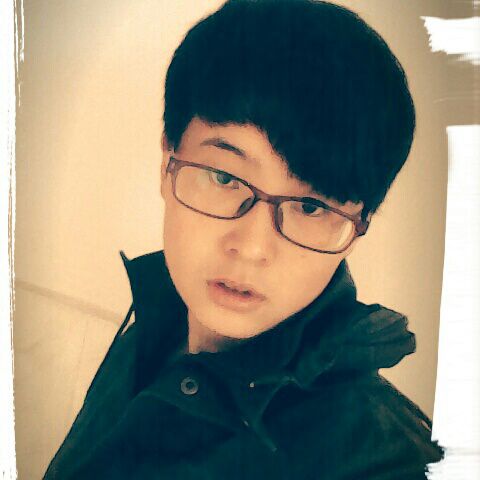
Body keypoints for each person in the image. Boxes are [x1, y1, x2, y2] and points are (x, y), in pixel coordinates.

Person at [44, 0, 444, 478]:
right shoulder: (159, 320)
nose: (252, 248)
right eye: (225, 177)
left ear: (357, 229)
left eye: (311, 207)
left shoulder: (382, 460)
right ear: (167, 163)